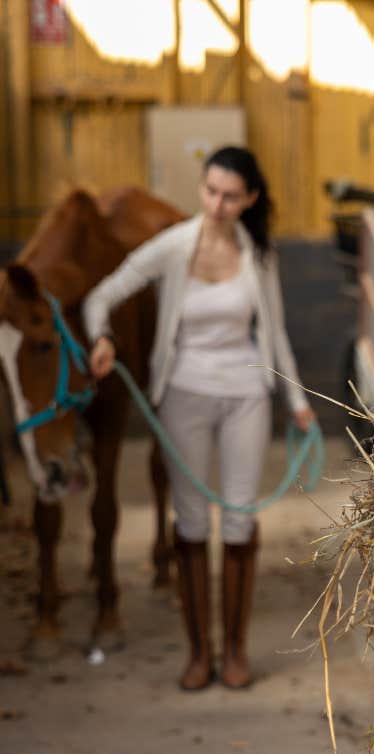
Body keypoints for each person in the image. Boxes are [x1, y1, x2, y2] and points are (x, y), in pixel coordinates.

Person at [84, 146, 316, 691]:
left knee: (238, 516)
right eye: (210, 191)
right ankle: (198, 653)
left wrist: (298, 399)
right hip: (183, 391)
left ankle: (234, 651)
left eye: (230, 195)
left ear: (249, 199)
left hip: (246, 393)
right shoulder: (172, 246)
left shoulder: (260, 252)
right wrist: (103, 338)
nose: (216, 204)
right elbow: (102, 295)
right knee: (190, 521)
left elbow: (276, 330)